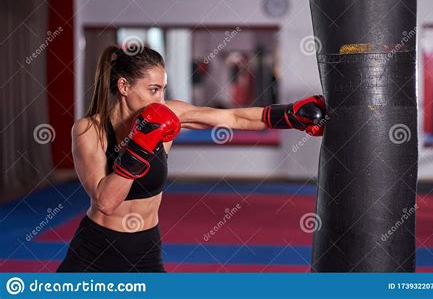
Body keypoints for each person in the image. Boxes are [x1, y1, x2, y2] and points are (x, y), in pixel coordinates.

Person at [56, 45, 326, 272]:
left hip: (145, 249)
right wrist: (140, 145)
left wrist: (289, 115)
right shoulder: (90, 130)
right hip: (95, 250)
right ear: (124, 86)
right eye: (153, 90)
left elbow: (232, 117)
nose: (160, 99)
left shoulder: (168, 113)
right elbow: (106, 201)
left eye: (163, 89)